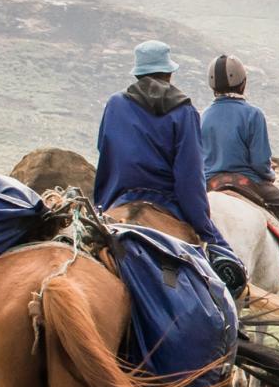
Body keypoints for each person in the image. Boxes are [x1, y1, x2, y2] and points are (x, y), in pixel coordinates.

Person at [95, 40, 245, 294]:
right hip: (167, 204)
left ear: (138, 72)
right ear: (169, 73)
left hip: (117, 200)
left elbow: (105, 155)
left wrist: (103, 205)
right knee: (225, 263)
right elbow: (189, 177)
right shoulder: (184, 110)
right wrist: (204, 229)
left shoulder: (115, 104)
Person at [199, 53, 279, 294]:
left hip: (210, 185)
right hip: (246, 182)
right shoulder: (252, 114)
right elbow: (261, 163)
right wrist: (269, 176)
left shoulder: (203, 116)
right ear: (243, 82)